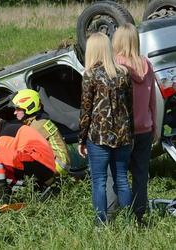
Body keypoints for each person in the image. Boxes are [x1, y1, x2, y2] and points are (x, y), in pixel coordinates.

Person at [78, 32, 133, 224]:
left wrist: (81, 139)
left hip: (98, 137)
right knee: (122, 180)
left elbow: (86, 110)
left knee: (99, 182)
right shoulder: (124, 73)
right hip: (123, 136)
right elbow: (130, 108)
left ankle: (101, 223)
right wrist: (130, 133)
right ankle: (129, 222)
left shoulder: (90, 75)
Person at [112, 23, 157, 223]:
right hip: (145, 129)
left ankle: (117, 213)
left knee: (116, 175)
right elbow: (152, 100)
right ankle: (138, 216)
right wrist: (154, 124)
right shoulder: (146, 64)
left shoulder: (115, 64)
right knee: (140, 175)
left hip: (122, 131)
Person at [0, 112, 56, 197]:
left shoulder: (5, 136)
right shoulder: (14, 127)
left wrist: (5, 185)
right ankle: (35, 188)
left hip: (40, 167)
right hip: (45, 168)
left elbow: (6, 163)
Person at [11, 89, 70, 175]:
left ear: (28, 107)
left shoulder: (37, 125)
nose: (15, 112)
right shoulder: (40, 120)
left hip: (59, 165)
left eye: (18, 109)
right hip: (61, 162)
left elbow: (22, 149)